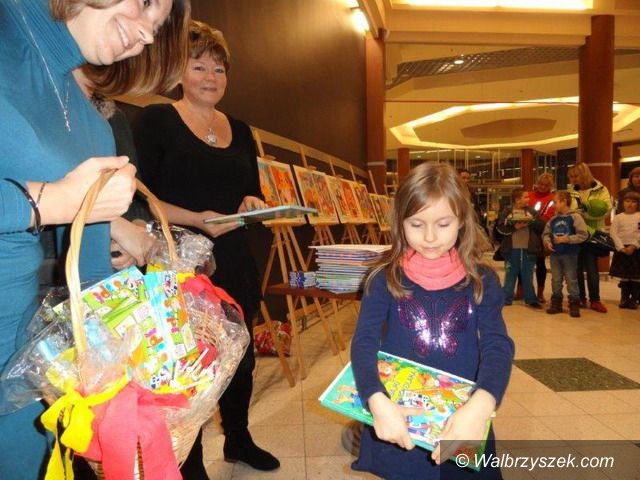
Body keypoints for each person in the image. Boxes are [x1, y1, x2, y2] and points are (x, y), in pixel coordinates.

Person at [0, 0, 189, 478]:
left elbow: (93, 281)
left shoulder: (91, 125)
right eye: (146, 5)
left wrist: (145, 352)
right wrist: (50, 202)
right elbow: (57, 203)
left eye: (157, 26)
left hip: (21, 366)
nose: (148, 35)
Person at [134, 21, 279, 476]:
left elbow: (250, 191)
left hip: (234, 258)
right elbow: (140, 196)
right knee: (188, 363)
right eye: (199, 66)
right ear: (178, 71)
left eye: (219, 69)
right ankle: (190, 460)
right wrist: (198, 219)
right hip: (178, 262)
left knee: (240, 358)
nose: (211, 77)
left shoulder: (241, 129)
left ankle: (238, 438)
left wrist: (252, 203)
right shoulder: (157, 121)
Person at [350, 162, 514, 480]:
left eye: (443, 224)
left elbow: (497, 345)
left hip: (463, 417)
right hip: (401, 417)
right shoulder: (383, 279)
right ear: (400, 222)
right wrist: (376, 400)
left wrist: (481, 406)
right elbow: (364, 343)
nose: (429, 237)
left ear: (462, 220)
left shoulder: (482, 280)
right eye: (416, 224)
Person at [567, 163, 612, 313]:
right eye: (571, 177)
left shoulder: (601, 189)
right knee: (576, 268)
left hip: (592, 235)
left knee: (592, 268)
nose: (573, 179)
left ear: (584, 174)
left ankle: (595, 300)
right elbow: (567, 210)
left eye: (575, 176)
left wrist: (583, 214)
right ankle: (580, 297)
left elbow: (606, 210)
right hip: (575, 234)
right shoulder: (570, 191)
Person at [542, 191, 588, 317]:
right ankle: (556, 302)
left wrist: (566, 239)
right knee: (556, 279)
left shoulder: (575, 217)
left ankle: (574, 303)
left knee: (571, 279)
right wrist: (547, 242)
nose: (553, 205)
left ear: (564, 201)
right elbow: (546, 234)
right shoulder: (553, 219)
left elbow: (583, 235)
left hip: (570, 254)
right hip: (555, 255)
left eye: (555, 202)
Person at [495, 189, 544, 308]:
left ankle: (531, 299)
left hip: (529, 249)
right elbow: (500, 228)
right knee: (510, 274)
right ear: (517, 200)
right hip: (510, 249)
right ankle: (506, 298)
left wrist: (531, 221)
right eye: (525, 197)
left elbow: (541, 226)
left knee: (528, 274)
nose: (528, 199)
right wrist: (514, 227)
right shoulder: (507, 211)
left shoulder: (532, 211)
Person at [609, 191, 640, 309]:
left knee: (636, 276)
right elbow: (613, 233)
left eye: (633, 202)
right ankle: (624, 298)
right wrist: (621, 247)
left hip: (636, 250)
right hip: (622, 249)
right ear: (623, 203)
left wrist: (634, 246)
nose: (630, 204)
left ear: (638, 204)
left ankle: (634, 300)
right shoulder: (618, 217)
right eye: (627, 201)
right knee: (625, 276)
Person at [528, 173, 556, 303]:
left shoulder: (553, 199)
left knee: (540, 263)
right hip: (526, 233)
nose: (543, 187)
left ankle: (540, 292)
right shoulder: (529, 195)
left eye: (546, 185)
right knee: (525, 263)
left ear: (550, 186)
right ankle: (522, 290)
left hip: (541, 233)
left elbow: (549, 217)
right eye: (541, 184)